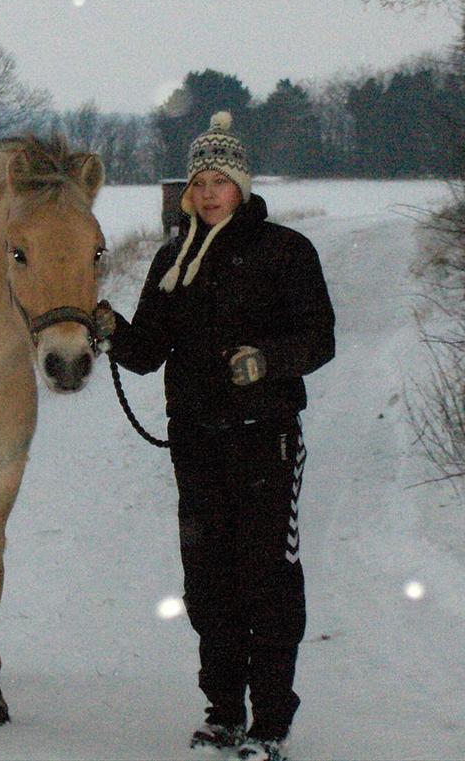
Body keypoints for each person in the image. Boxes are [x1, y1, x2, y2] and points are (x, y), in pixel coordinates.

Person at [96, 111, 335, 761]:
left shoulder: (285, 252)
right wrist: (106, 325)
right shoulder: (173, 261)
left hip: (266, 441)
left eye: (219, 181)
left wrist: (267, 359)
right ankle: (224, 712)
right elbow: (147, 350)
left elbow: (320, 339)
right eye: (198, 181)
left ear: (242, 186)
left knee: (267, 581)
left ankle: (270, 723)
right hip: (196, 445)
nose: (206, 193)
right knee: (209, 585)